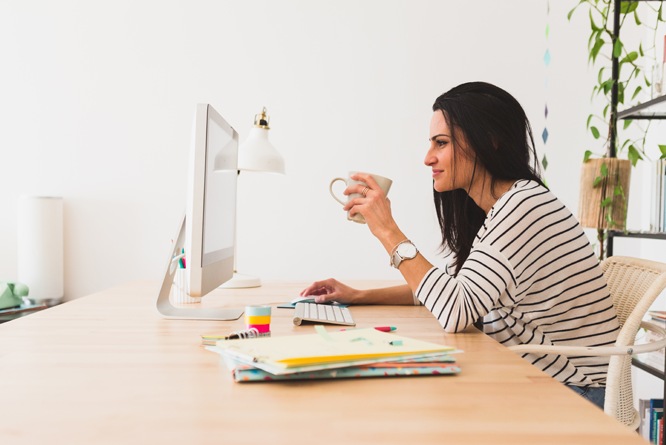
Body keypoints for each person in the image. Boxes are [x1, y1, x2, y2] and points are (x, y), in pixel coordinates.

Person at [300, 82, 619, 409]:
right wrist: (358, 296)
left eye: (441, 143)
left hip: (578, 395)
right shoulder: (502, 206)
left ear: (489, 141)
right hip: (536, 376)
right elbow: (452, 291)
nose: (427, 158)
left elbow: (454, 309)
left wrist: (386, 230)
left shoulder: (523, 208)